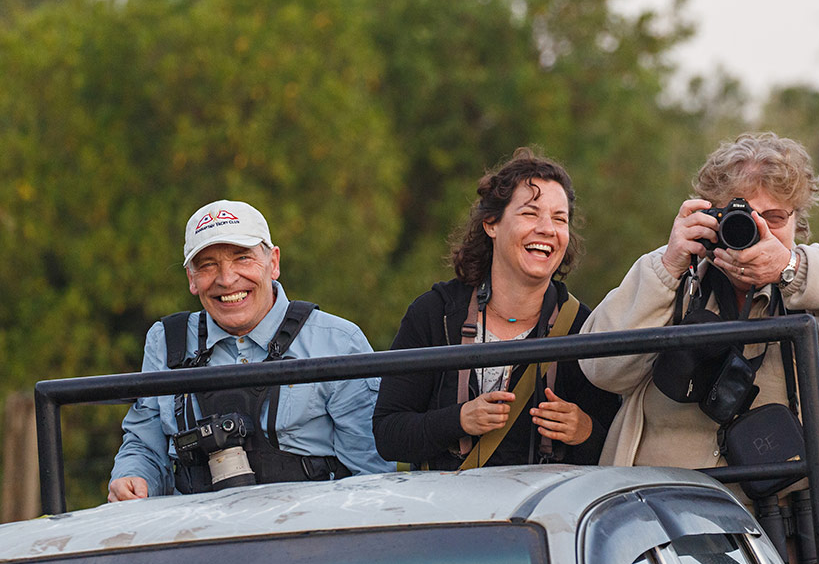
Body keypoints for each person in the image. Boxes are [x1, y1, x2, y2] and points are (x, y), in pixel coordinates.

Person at [579, 132, 819, 564]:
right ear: (711, 215)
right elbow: (601, 368)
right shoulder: (674, 274)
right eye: (740, 215)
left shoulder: (817, 272)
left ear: (798, 219)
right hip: (668, 524)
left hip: (792, 526)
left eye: (775, 218)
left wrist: (791, 270)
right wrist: (669, 265)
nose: (759, 229)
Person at [109, 199, 391, 501]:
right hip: (195, 535)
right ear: (191, 279)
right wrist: (133, 477)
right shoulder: (166, 342)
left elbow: (371, 475)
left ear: (274, 263)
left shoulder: (338, 341)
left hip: (312, 535)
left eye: (242, 258)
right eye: (207, 265)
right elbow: (144, 445)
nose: (227, 279)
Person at [373, 148, 619, 470]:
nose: (547, 229)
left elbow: (620, 452)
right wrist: (459, 419)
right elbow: (388, 435)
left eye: (560, 219)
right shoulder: (435, 314)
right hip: (449, 515)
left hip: (542, 517)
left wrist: (584, 431)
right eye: (531, 213)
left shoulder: (585, 328)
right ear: (491, 223)